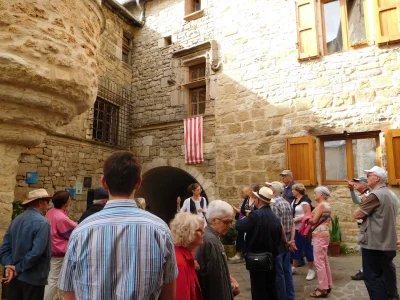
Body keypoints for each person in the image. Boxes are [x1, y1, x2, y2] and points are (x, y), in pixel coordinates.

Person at [57, 151, 178, 300]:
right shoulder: (160, 230)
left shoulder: (81, 231)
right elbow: (169, 293)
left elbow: (69, 292)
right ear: (138, 182)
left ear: (104, 183)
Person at [353, 166, 398, 300]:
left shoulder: (375, 194)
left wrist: (361, 208)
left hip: (375, 244)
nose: (366, 178)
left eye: (369, 176)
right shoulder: (389, 193)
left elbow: (357, 214)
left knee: (373, 279)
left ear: (377, 178)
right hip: (387, 242)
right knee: (385, 275)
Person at [0, 188, 52, 300]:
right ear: (40, 202)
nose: (48, 204)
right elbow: (36, 252)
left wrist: (10, 267)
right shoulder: (43, 223)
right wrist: (17, 268)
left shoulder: (16, 220)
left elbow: (4, 247)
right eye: (47, 201)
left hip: (15, 277)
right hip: (33, 278)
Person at [236, 187, 283, 300]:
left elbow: (239, 226)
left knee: (258, 290)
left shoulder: (255, 215)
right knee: (271, 288)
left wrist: (246, 217)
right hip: (271, 257)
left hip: (256, 258)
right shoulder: (274, 217)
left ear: (257, 200)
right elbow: (278, 236)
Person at [195, 200, 240, 300]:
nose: (229, 225)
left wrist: (229, 280)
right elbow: (211, 278)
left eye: (231, 221)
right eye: (227, 222)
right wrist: (230, 287)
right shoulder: (210, 241)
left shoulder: (213, 237)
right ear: (214, 220)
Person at [44, 191, 77, 300]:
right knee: (54, 279)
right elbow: (76, 230)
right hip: (58, 252)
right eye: (69, 199)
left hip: (51, 250)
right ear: (66, 202)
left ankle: (54, 297)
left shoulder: (51, 212)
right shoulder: (61, 217)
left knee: (53, 277)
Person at [267, 181, 295, 300]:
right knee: (286, 270)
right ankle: (290, 296)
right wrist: (291, 240)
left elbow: (279, 226)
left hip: (280, 239)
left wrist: (285, 241)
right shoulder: (286, 202)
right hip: (287, 237)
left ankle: (282, 297)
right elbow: (292, 223)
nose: (268, 189)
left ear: (273, 191)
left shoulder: (274, 204)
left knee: (279, 272)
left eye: (269, 188)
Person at [170, 212, 204, 300]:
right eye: (199, 230)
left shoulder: (185, 254)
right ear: (187, 232)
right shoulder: (180, 263)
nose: (204, 232)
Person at [309, 187, 333, 298]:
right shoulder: (328, 205)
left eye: (316, 193)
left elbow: (314, 221)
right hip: (325, 233)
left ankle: (323, 288)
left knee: (319, 262)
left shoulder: (321, 205)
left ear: (322, 194)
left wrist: (305, 218)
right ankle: (328, 284)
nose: (314, 195)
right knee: (324, 261)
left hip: (318, 234)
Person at [346, 177, 370, 281]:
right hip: (365, 227)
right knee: (364, 249)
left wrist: (351, 190)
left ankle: (365, 271)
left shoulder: (369, 193)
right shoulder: (365, 193)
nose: (355, 184)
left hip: (368, 227)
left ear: (365, 184)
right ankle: (365, 270)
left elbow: (357, 200)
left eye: (358, 182)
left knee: (365, 249)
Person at [291, 183, 315, 280]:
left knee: (307, 248)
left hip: (303, 229)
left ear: (298, 191)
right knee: (295, 247)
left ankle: (311, 270)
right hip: (295, 228)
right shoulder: (294, 200)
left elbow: (308, 215)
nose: (292, 191)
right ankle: (294, 267)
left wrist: (296, 220)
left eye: (293, 190)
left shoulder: (305, 202)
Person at [230, 185, 258, 262]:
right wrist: (245, 215)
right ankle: (239, 254)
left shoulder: (257, 200)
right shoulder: (247, 199)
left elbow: (258, 210)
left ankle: (249, 255)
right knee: (240, 235)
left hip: (253, 222)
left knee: (251, 237)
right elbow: (242, 210)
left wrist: (251, 213)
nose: (250, 191)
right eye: (250, 189)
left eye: (252, 189)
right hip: (245, 221)